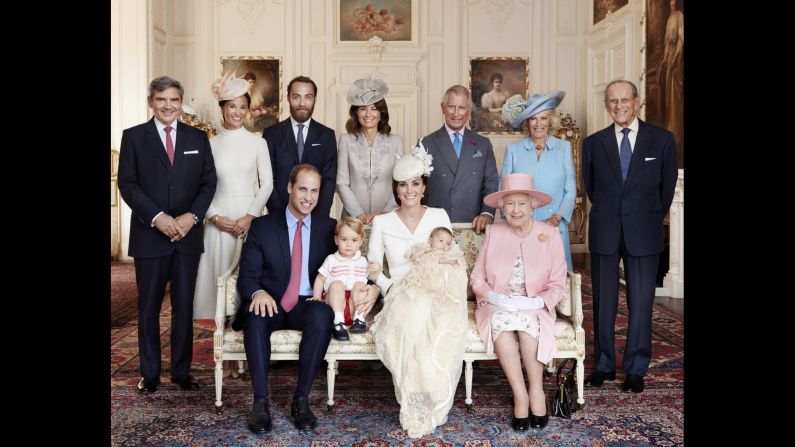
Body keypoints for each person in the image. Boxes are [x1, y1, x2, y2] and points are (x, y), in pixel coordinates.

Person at [234, 164, 366, 434]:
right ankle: (260, 403)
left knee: (322, 314)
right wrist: (258, 293)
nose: (308, 197)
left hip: (307, 303)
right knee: (255, 315)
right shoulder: (263, 226)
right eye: (303, 189)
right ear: (290, 188)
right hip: (271, 302)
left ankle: (301, 399)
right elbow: (247, 275)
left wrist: (371, 286)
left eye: (314, 191)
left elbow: (352, 262)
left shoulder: (329, 228)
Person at [118, 76, 217, 395]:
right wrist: (158, 218)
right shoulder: (133, 137)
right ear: (151, 101)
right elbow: (127, 184)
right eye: (161, 100)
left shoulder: (198, 138)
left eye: (174, 100)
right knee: (147, 308)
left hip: (187, 237)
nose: (168, 106)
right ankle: (150, 374)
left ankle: (181, 372)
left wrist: (192, 217)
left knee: (184, 307)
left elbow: (208, 183)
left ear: (181, 102)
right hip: (150, 237)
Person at [581, 80, 678, 394]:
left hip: (644, 232)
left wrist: (643, 216)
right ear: (606, 104)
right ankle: (605, 365)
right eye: (612, 100)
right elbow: (591, 187)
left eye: (624, 99)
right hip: (605, 231)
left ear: (637, 101)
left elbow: (665, 192)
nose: (619, 106)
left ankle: (636, 368)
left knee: (641, 302)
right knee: (603, 302)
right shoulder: (593, 143)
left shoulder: (662, 141)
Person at [368, 145, 468, 438]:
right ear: (396, 189)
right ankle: (415, 397)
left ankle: (432, 394)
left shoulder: (438, 215)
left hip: (438, 291)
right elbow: (373, 268)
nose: (409, 190)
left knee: (433, 315)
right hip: (401, 292)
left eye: (415, 183)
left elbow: (454, 258)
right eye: (402, 185)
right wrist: (389, 287)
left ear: (424, 186)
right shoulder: (382, 222)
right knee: (412, 314)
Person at [470, 173, 567, 431]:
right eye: (509, 204)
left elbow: (558, 282)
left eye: (521, 203)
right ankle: (520, 395)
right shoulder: (494, 231)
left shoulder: (550, 233)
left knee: (527, 327)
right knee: (501, 322)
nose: (515, 210)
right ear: (501, 207)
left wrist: (537, 302)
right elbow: (477, 278)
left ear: (533, 204)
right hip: (498, 302)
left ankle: (537, 392)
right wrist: (494, 296)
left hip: (535, 304)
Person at [193, 72, 273, 379]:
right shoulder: (209, 144)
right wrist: (214, 216)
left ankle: (245, 346)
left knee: (245, 282)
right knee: (219, 281)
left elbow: (267, 184)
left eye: (242, 106)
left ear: (248, 109)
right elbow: (202, 186)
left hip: (249, 220)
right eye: (231, 106)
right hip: (218, 220)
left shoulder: (258, 143)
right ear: (222, 107)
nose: (237, 112)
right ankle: (223, 354)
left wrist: (250, 216)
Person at [501, 91, 576, 271]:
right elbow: (503, 192)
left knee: (556, 280)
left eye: (544, 118)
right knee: (524, 280)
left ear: (551, 121)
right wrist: (514, 221)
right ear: (527, 122)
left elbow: (571, 189)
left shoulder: (563, 148)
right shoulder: (513, 150)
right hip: (521, 226)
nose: (538, 124)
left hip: (554, 225)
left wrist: (557, 218)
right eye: (533, 119)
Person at [421, 85, 499, 233]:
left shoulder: (483, 144)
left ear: (469, 111)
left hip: (474, 226)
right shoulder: (426, 143)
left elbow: (491, 182)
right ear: (443, 108)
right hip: (435, 227)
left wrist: (487, 213)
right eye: (451, 107)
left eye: (462, 108)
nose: (456, 114)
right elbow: (418, 187)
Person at [263, 76, 337, 217]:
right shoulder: (271, 134)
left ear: (315, 99)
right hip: (278, 215)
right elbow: (267, 178)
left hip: (316, 215)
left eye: (308, 97)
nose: (302, 103)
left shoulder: (327, 135)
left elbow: (329, 180)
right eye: (296, 97)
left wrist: (319, 216)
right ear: (288, 98)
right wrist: (279, 214)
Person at [337, 78, 403, 224]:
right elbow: (341, 183)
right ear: (356, 112)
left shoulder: (396, 141)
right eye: (363, 108)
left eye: (373, 108)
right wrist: (359, 214)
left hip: (388, 218)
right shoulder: (346, 141)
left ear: (381, 113)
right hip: (353, 220)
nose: (368, 114)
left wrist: (385, 213)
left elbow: (400, 182)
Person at [311, 217, 380, 341]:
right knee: (337, 284)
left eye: (354, 240)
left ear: (360, 242)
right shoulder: (331, 259)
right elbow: (320, 279)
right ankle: (338, 324)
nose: (349, 244)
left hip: (355, 306)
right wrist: (316, 297)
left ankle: (359, 321)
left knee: (361, 285)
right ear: (336, 240)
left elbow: (372, 278)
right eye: (344, 240)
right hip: (336, 303)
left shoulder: (363, 261)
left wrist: (376, 269)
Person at [656, 0, 684, 155]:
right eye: (670, 1)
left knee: (676, 97)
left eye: (674, 1)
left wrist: (675, 58)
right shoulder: (668, 19)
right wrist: (665, 60)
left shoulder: (680, 16)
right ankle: (670, 128)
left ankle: (676, 132)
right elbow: (667, 44)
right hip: (670, 61)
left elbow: (681, 39)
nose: (672, 4)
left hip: (677, 61)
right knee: (668, 98)